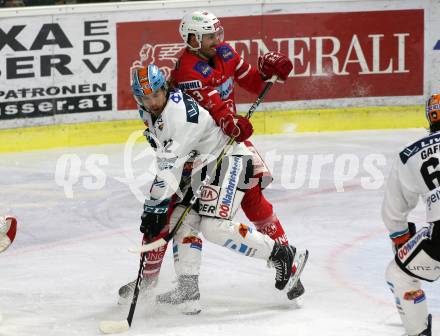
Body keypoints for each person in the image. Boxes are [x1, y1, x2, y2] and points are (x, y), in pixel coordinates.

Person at [118, 9, 305, 304]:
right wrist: (230, 122)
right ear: (192, 39)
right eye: (209, 35)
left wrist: (269, 75)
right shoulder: (186, 71)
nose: (217, 39)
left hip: (220, 145)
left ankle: (286, 260)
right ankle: (164, 281)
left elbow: (252, 85)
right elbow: (214, 109)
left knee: (244, 202)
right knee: (179, 215)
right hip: (205, 146)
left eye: (218, 33)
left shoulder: (225, 54)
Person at [381, 94, 440, 336]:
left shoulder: (410, 154)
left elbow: (394, 212)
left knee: (398, 274)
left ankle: (419, 331)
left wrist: (401, 238)